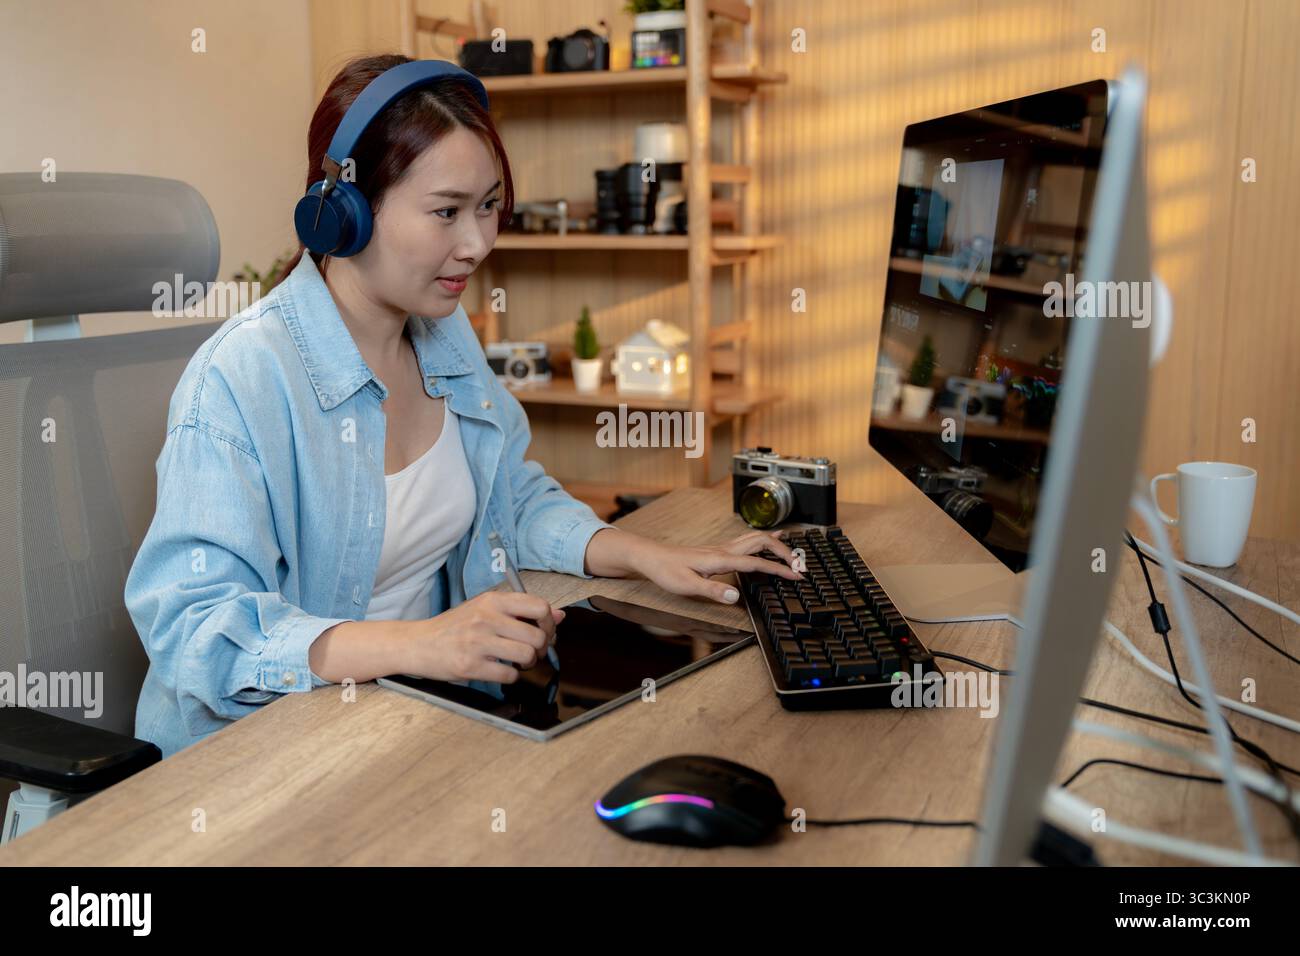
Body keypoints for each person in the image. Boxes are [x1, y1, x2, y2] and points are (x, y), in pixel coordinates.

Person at [125, 54, 800, 758]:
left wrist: (646, 555)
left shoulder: (442, 336)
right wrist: (422, 644)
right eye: (446, 212)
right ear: (344, 214)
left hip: (418, 719)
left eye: (486, 207)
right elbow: (194, 626)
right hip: (265, 756)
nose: (476, 244)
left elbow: (506, 494)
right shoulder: (243, 378)